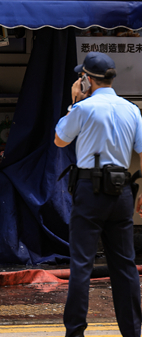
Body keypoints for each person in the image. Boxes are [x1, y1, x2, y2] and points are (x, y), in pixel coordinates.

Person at [54, 51, 142, 337]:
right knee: (125, 266)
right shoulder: (132, 109)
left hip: (90, 190)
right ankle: (132, 332)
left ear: (87, 79)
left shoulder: (84, 108)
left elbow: (60, 140)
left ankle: (76, 333)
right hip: (122, 191)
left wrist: (74, 102)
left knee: (81, 264)